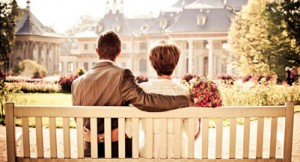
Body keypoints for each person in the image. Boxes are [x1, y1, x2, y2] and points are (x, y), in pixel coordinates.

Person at [71, 31, 191, 158]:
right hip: (120, 153)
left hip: (89, 152)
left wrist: (94, 138)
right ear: (119, 52)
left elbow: (79, 121)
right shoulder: (123, 75)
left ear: (97, 51)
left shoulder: (76, 83)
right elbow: (145, 101)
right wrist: (184, 101)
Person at [126, 40, 200, 158]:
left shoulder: (141, 92)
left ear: (152, 63)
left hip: (149, 154)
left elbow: (128, 130)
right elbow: (192, 133)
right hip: (179, 153)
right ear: (175, 64)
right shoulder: (184, 93)